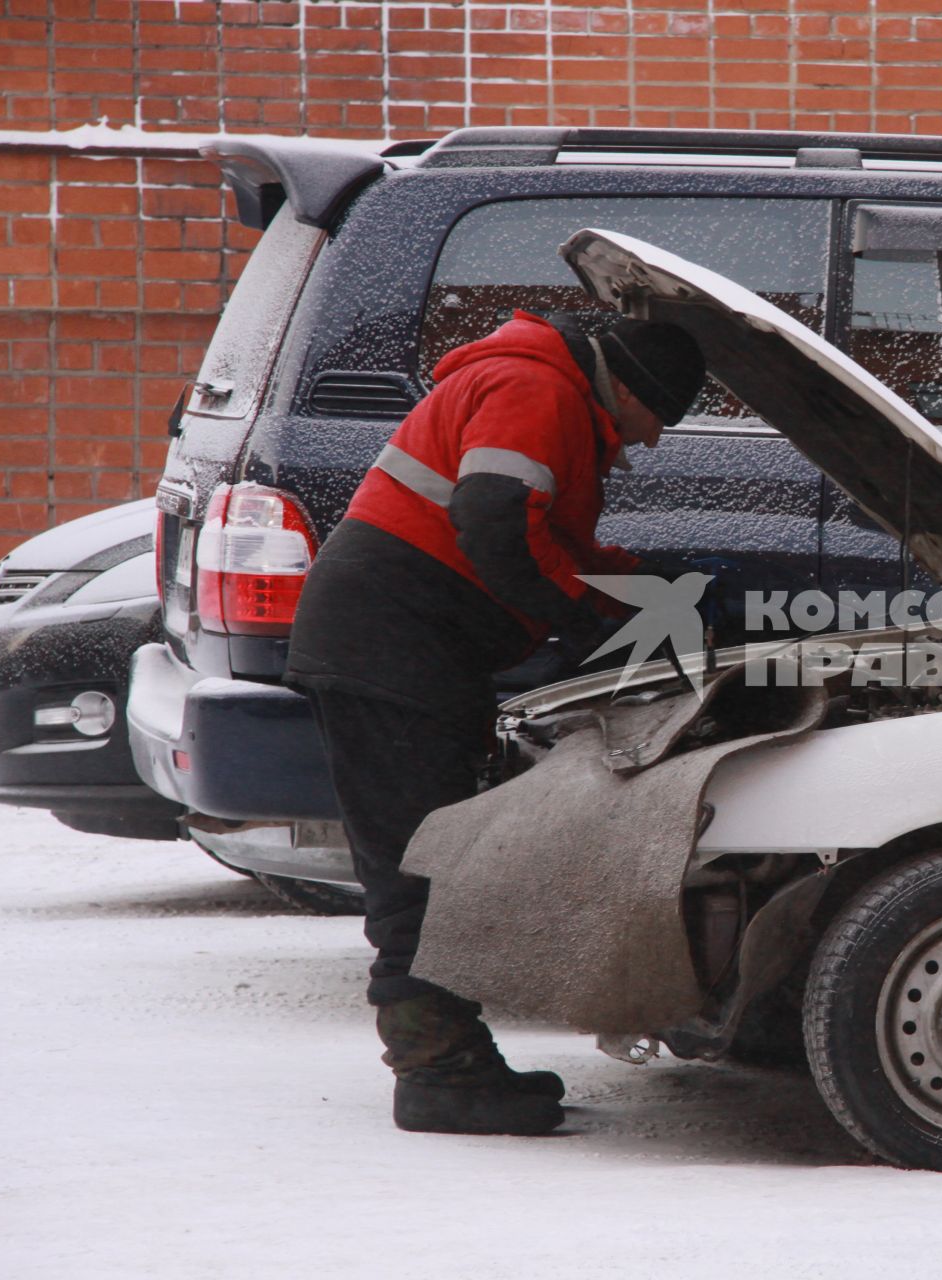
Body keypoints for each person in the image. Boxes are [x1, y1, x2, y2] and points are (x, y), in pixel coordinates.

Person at [285, 309, 707, 1136]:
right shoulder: (536, 386)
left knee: (436, 860)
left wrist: (641, 581)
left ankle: (452, 1061)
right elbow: (493, 521)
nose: (652, 442)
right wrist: (584, 614)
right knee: (419, 867)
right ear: (630, 388)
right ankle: (439, 1074)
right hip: (388, 645)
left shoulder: (549, 393)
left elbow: (537, 532)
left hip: (401, 646)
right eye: (660, 418)